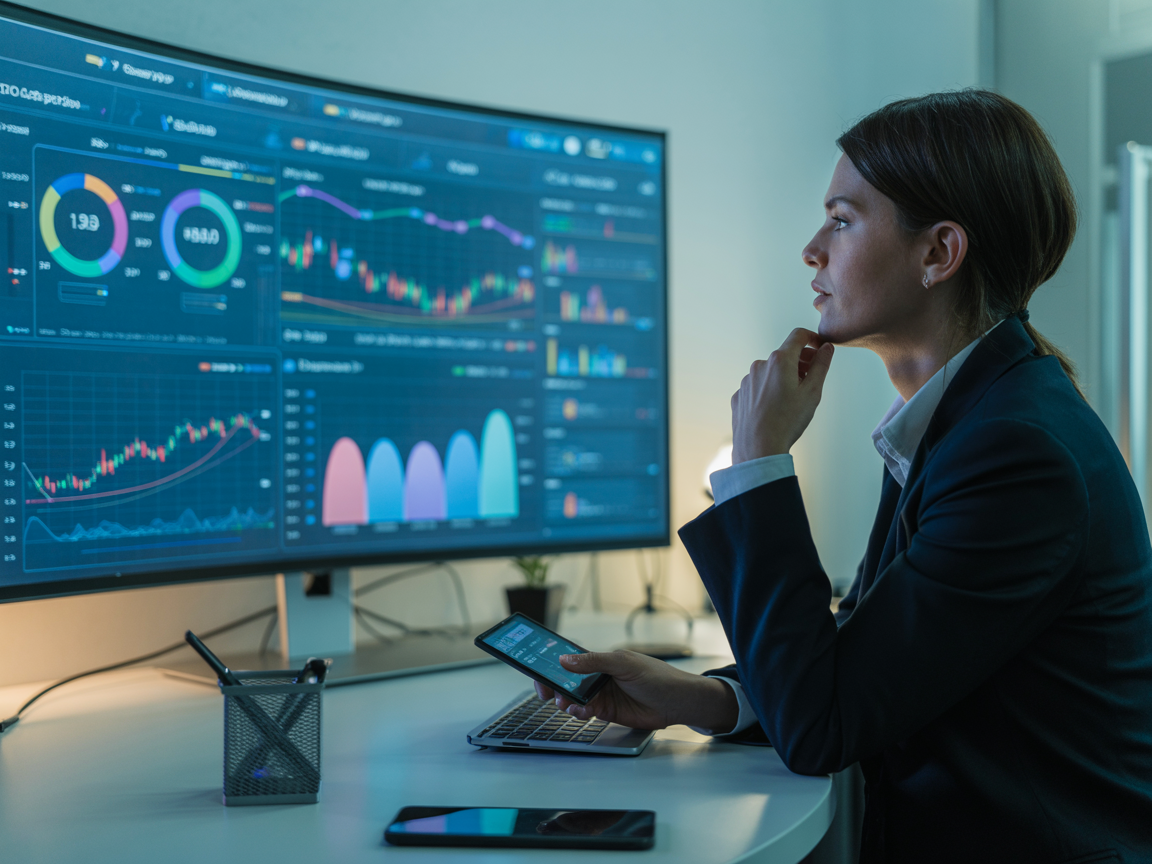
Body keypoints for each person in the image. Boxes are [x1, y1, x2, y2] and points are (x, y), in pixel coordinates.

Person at [534, 91, 1152, 863]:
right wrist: (703, 698)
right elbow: (861, 666)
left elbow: (823, 724)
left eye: (843, 218)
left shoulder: (1017, 453)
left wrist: (759, 460)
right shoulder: (971, 417)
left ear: (938, 255)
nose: (812, 249)